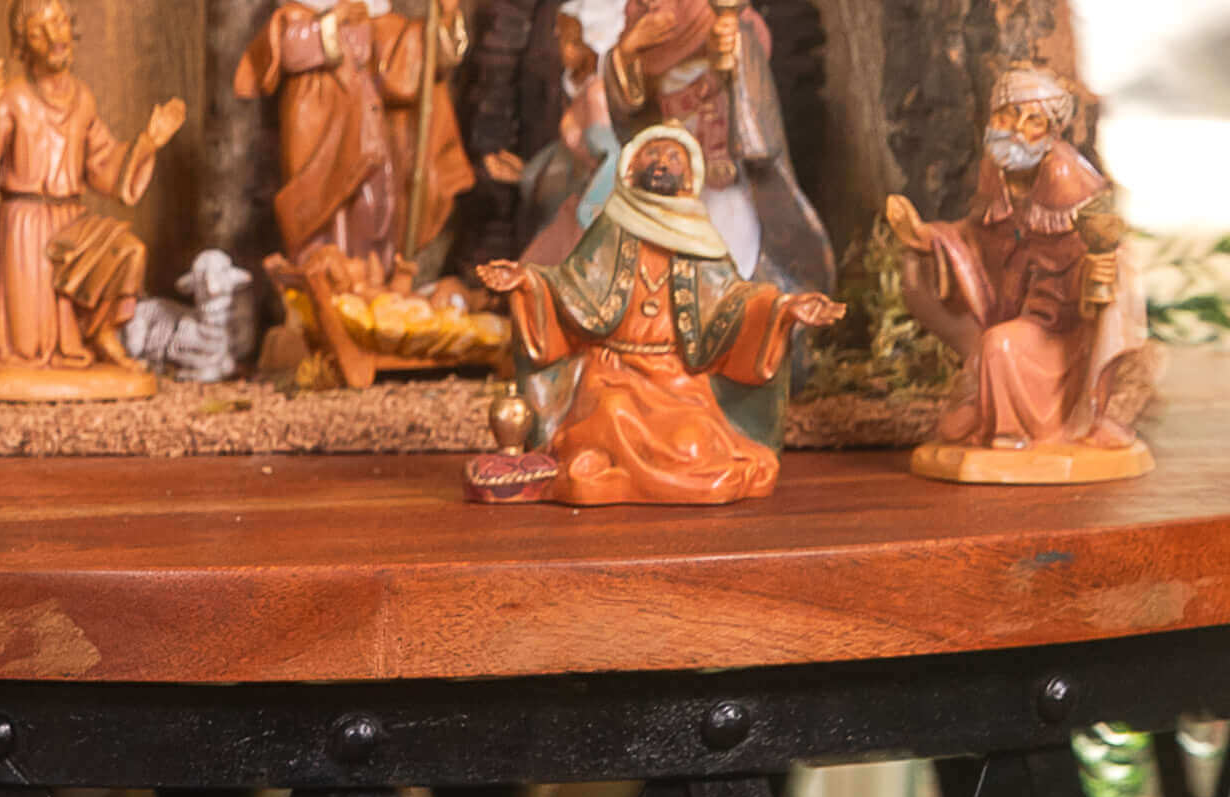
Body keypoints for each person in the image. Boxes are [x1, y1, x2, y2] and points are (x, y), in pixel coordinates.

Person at [476, 118, 839, 499]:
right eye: (653, 153)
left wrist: (782, 308)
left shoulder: (700, 239)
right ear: (632, 165)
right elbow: (572, 285)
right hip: (611, 372)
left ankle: (625, 472)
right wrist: (528, 282)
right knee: (611, 415)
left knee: (694, 443)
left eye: (673, 156)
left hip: (677, 379)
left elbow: (731, 300)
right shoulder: (611, 227)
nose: (662, 162)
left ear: (689, 174)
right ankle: (597, 468)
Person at [886, 62, 1152, 472]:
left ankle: (1014, 435)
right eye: (1006, 115)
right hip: (1016, 306)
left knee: (1001, 345)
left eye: (1033, 121)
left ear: (1052, 133)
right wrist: (930, 237)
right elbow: (981, 235)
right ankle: (993, 416)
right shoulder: (999, 167)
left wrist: (1088, 280)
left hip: (1063, 328)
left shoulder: (1063, 177)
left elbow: (1082, 260)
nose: (1015, 129)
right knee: (979, 370)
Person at [0, 0, 188, 382]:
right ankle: (19, 356)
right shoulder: (14, 99)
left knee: (127, 252)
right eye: (39, 32)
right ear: (22, 47)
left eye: (59, 23)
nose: (55, 38)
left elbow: (105, 165)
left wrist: (147, 143)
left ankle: (104, 336)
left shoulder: (83, 98)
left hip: (70, 223)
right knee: (28, 349)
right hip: (23, 229)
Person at [235, 0, 475, 281]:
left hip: (367, 135)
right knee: (316, 213)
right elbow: (288, 51)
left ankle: (369, 287)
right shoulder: (297, 12)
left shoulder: (375, 17)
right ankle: (319, 288)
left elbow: (407, 67)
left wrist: (444, 18)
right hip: (317, 132)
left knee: (374, 207)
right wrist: (332, 21)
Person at [602, 0, 827, 287]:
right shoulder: (640, 16)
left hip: (720, 164)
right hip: (671, 171)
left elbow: (749, 52)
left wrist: (731, 47)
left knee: (731, 241)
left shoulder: (710, 12)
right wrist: (627, 52)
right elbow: (629, 112)